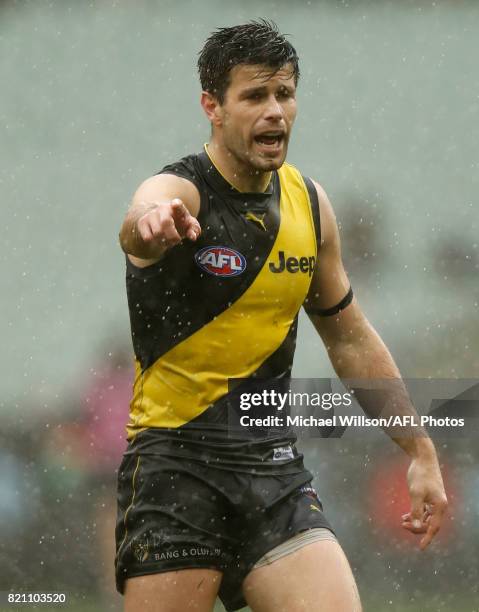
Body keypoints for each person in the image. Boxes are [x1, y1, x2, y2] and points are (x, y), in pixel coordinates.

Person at [116, 20, 447, 612]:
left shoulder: (308, 205)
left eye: (284, 94)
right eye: (254, 96)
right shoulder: (182, 191)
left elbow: (349, 338)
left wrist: (418, 448)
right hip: (175, 468)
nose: (275, 112)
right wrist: (148, 223)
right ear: (212, 106)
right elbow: (143, 216)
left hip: (271, 467)